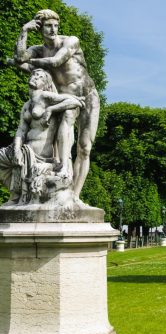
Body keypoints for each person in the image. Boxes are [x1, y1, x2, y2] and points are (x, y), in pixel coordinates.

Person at [12, 9, 100, 199]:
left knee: (85, 148)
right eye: (48, 26)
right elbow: (20, 57)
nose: (53, 30)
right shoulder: (38, 49)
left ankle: (75, 196)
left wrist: (31, 63)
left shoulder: (71, 41)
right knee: (65, 121)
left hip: (87, 96)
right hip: (63, 99)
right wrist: (24, 31)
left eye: (55, 26)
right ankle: (63, 173)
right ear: (40, 28)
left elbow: (56, 60)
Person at [0, 68, 84, 205]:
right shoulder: (27, 105)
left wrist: (51, 109)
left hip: (41, 153)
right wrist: (16, 148)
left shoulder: (46, 96)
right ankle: (16, 194)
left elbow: (74, 102)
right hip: (25, 148)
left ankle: (17, 196)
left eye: (39, 77)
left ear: (45, 84)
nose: (34, 77)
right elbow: (21, 129)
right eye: (33, 75)